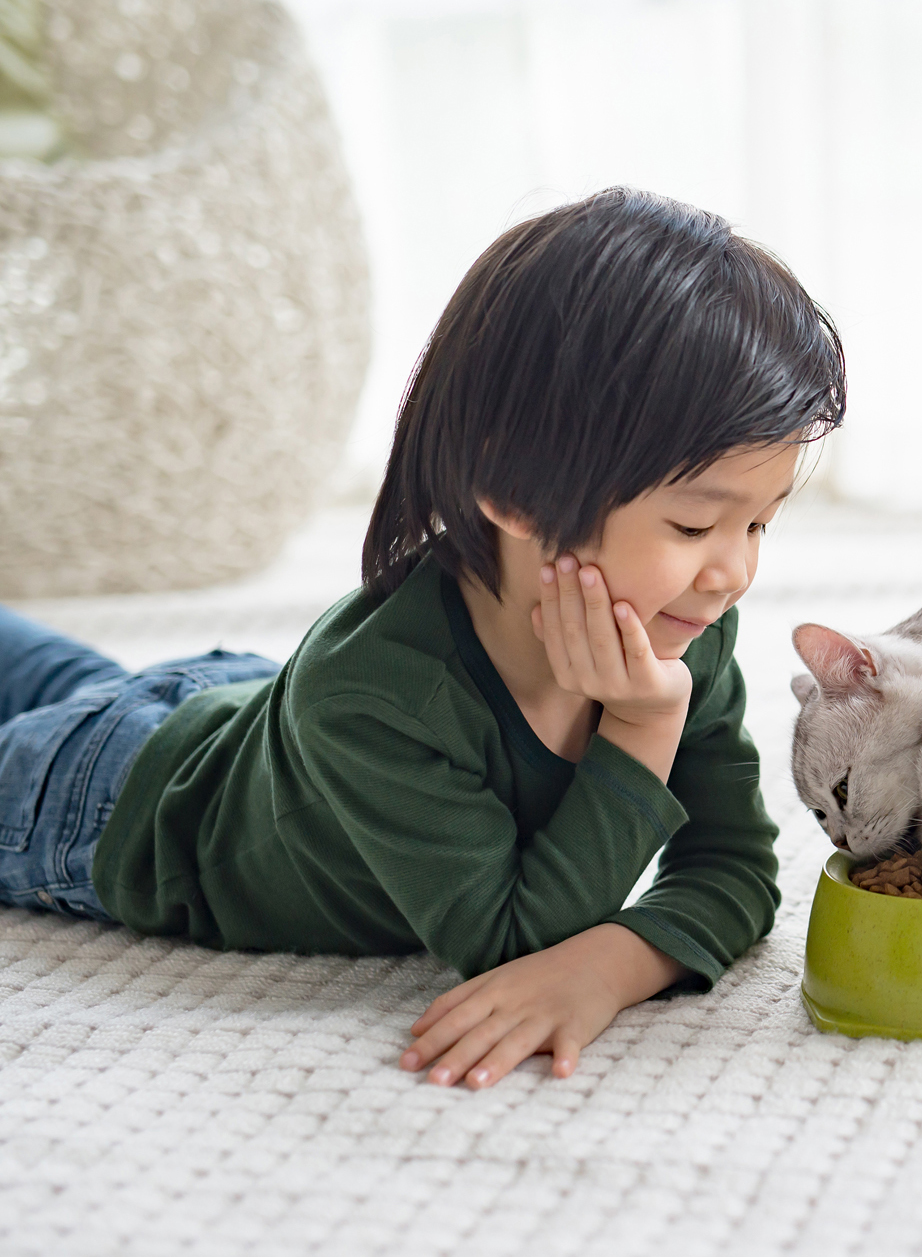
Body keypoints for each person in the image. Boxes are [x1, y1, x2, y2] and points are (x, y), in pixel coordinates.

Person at [0, 188, 845, 1089]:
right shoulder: (373, 690)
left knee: (59, 674)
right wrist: (639, 731)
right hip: (111, 811)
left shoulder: (682, 626)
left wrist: (610, 968)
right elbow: (514, 941)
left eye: (758, 526)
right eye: (692, 527)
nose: (732, 575)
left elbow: (740, 868)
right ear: (513, 490)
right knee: (72, 714)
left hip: (229, 713)